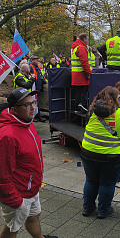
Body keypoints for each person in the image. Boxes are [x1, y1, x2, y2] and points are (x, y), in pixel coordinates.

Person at [0, 89, 57, 238]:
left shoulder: (26, 122)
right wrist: (15, 201)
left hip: (31, 187)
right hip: (18, 194)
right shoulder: (8, 136)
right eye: (26, 105)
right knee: (12, 228)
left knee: (33, 217)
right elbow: (2, 175)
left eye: (33, 102)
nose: (33, 108)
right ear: (14, 109)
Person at [80, 86, 120, 219]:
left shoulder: (92, 112)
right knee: (107, 183)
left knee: (91, 181)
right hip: (112, 156)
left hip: (88, 153)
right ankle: (103, 210)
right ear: (116, 99)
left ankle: (87, 209)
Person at [71, 33, 92, 113]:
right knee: (83, 92)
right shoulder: (81, 48)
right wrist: (89, 74)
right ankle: (82, 106)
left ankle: (77, 108)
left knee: (78, 92)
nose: (88, 40)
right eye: (87, 39)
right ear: (84, 39)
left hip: (75, 74)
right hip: (82, 75)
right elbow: (84, 62)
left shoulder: (75, 47)